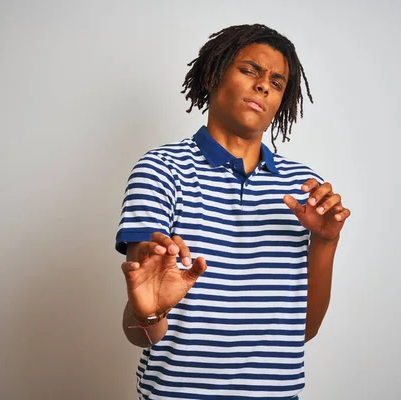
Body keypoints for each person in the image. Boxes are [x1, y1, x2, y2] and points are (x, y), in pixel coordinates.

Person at [115, 23, 351, 400]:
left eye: (276, 83)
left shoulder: (304, 188)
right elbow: (139, 331)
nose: (263, 86)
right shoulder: (161, 170)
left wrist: (326, 241)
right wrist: (148, 314)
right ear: (213, 73)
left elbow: (302, 331)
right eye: (250, 70)